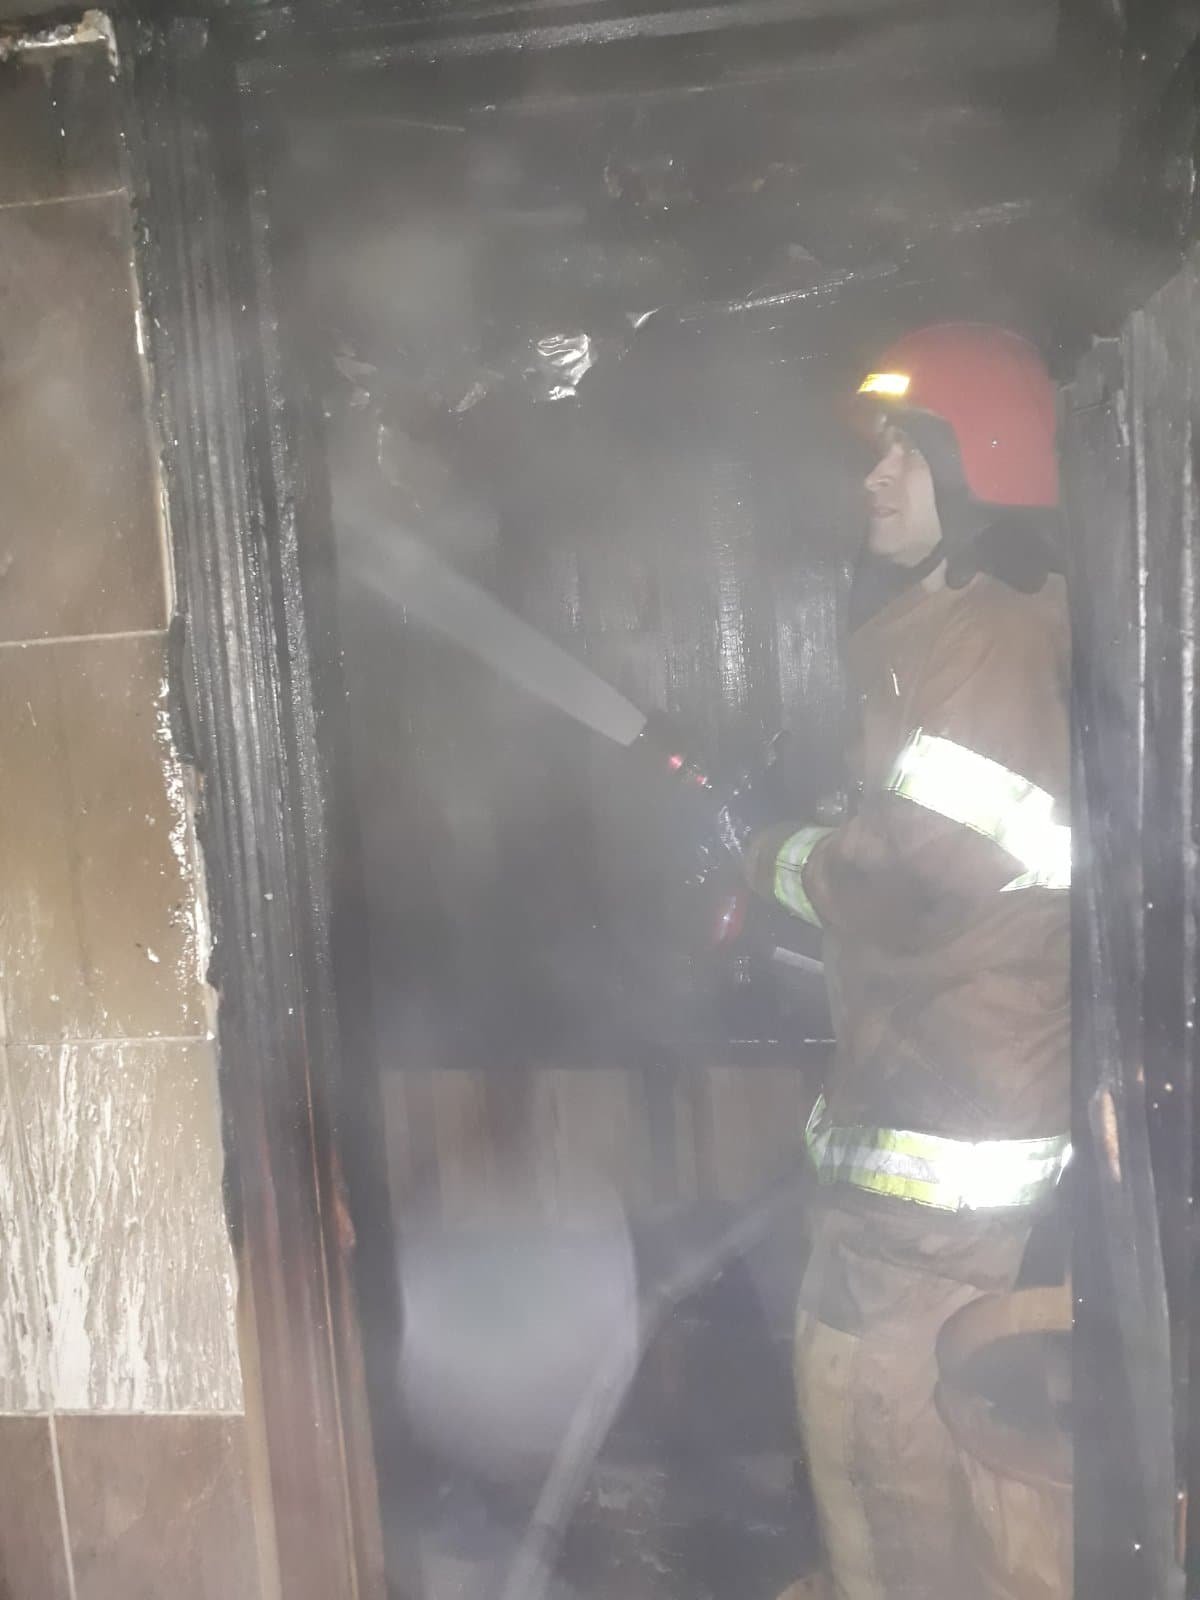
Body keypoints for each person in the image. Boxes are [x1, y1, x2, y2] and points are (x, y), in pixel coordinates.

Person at [736, 324, 1071, 1599]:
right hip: (914, 1129)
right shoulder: (943, 633)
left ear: (980, 469)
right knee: (859, 1419)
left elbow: (912, 875)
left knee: (894, 1430)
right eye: (874, 451)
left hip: (955, 1147)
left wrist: (768, 855)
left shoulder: (992, 642)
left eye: (905, 454)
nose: (873, 476)